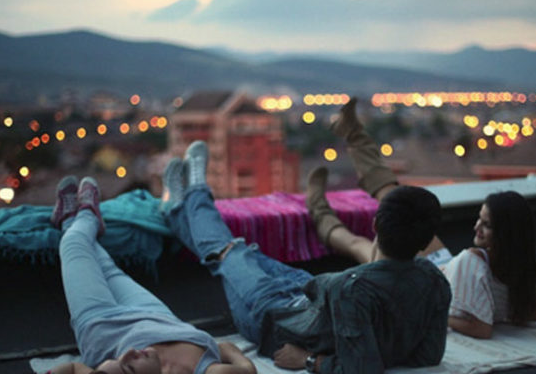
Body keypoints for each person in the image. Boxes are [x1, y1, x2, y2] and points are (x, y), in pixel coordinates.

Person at [161, 141, 450, 374]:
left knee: (227, 252)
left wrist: (310, 360)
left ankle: (195, 191)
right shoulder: (435, 280)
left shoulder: (352, 289)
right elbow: (429, 354)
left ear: (374, 225)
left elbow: (363, 369)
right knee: (244, 252)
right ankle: (175, 208)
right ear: (426, 241)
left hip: (270, 317)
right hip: (306, 298)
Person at [306, 97, 536, 339]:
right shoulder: (529, 260)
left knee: (357, 243)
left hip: (414, 277)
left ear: (506, 233)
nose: (476, 227)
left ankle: (317, 206)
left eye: (487, 225)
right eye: (480, 219)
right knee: (397, 201)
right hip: (440, 265)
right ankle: (352, 133)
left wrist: (438, 313)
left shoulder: (475, 261)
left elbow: (481, 328)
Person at [48, 176, 256, 374]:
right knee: (107, 268)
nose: (129, 353)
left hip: (101, 326)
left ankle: (80, 217)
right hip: (155, 315)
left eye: (121, 362)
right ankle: (75, 218)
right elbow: (231, 352)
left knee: (75, 245)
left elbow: (73, 368)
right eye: (129, 368)